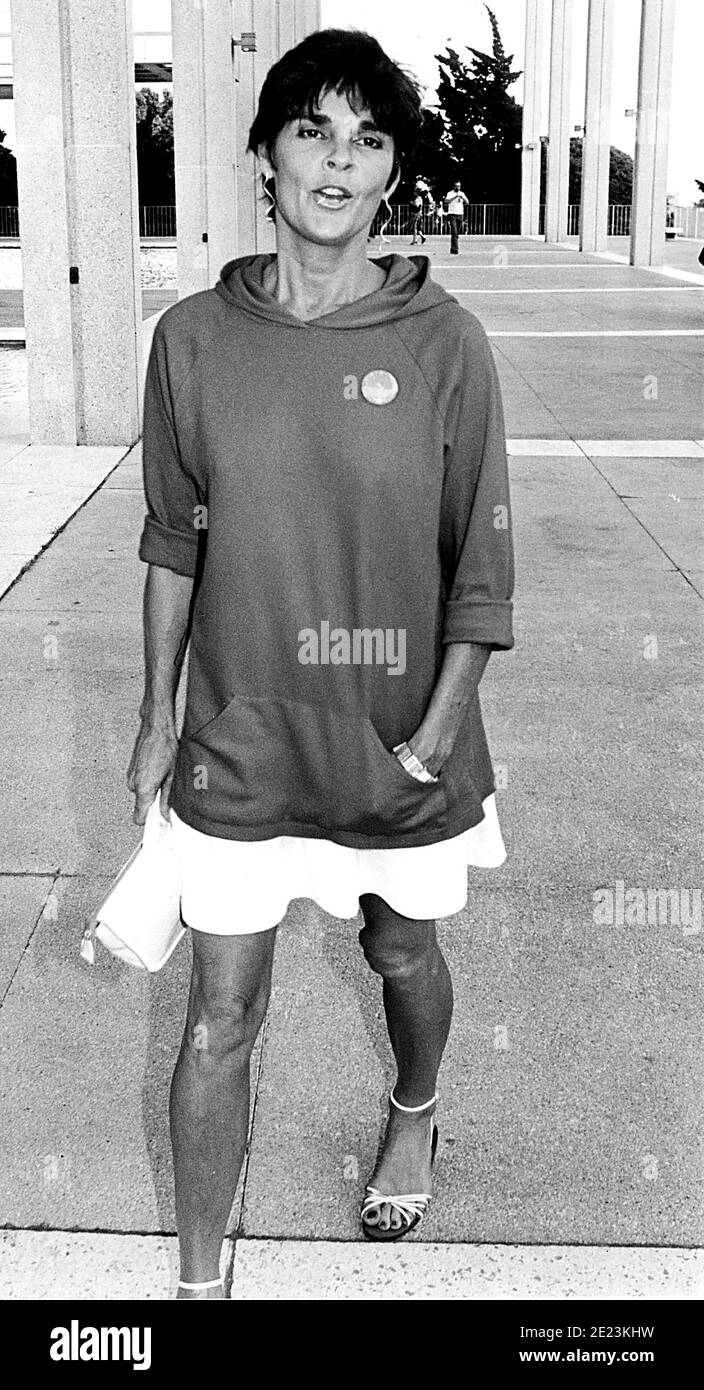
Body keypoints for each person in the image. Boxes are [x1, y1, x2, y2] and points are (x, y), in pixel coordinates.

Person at [128, 27, 514, 1299]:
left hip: (395, 730)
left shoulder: (443, 342)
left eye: (368, 138)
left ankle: (414, 1105)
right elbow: (172, 543)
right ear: (265, 156)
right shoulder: (190, 339)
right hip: (242, 736)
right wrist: (152, 716)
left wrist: (440, 728)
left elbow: (478, 561)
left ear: (391, 171)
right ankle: (192, 1287)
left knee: (400, 953)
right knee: (214, 1014)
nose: (339, 161)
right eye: (314, 131)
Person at [444, 179, 469, 254]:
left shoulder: (462, 193)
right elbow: (446, 201)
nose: (458, 188)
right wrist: (455, 197)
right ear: (454, 186)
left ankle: (453, 248)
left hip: (460, 214)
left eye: (459, 186)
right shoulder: (450, 193)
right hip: (452, 214)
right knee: (454, 232)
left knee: (457, 233)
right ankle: (455, 249)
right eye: (457, 186)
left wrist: (463, 198)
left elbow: (467, 202)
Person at [410, 178, 432, 244]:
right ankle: (423, 237)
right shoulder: (418, 198)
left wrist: (412, 203)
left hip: (417, 214)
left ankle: (414, 240)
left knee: (414, 228)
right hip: (417, 214)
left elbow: (417, 206)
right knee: (417, 228)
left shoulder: (418, 198)